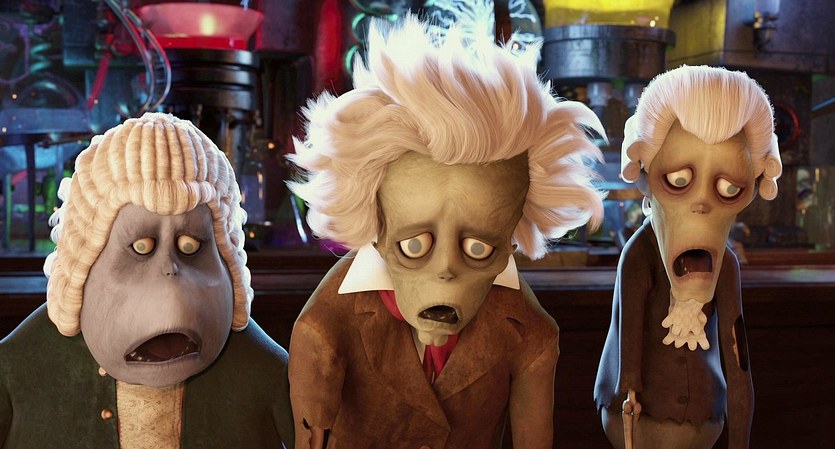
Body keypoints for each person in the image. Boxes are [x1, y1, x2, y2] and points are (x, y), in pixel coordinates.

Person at [287, 15, 606, 449]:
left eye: (478, 247)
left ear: (509, 243)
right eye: (414, 244)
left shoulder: (529, 330)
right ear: (377, 230)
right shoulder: (326, 323)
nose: (445, 269)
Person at [0, 112, 294, 448]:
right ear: (84, 262)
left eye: (190, 246)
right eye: (142, 247)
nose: (169, 271)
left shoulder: (263, 371)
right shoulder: (20, 366)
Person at [595, 65, 782, 449]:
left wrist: (740, 435)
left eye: (729, 189)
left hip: (704, 415)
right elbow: (627, 340)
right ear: (647, 177)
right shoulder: (639, 256)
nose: (701, 205)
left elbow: (738, 360)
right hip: (640, 423)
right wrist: (628, 392)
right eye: (678, 181)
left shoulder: (725, 267)